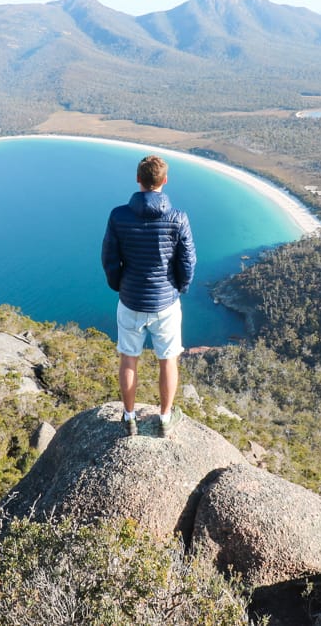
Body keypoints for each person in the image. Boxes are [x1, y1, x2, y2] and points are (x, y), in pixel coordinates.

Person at [101, 154, 196, 437]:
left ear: (138, 179)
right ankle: (165, 418)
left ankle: (129, 418)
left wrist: (119, 285)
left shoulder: (118, 215)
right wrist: (180, 287)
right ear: (164, 181)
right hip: (166, 302)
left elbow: (109, 258)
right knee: (168, 360)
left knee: (128, 358)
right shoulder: (177, 218)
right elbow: (188, 261)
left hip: (130, 300)